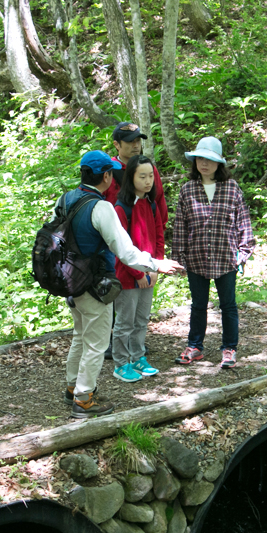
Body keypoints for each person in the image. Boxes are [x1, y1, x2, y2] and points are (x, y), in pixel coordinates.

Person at [63, 151, 183, 419]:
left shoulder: (67, 199)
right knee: (95, 343)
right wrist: (157, 264)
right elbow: (126, 252)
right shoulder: (101, 207)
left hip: (70, 280)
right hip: (95, 284)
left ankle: (72, 387)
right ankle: (83, 399)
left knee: (80, 337)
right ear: (106, 176)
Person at [170, 137, 255, 369]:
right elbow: (180, 226)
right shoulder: (187, 190)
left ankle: (229, 349)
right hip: (196, 257)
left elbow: (243, 223)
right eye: (200, 159)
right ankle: (195, 346)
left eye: (209, 160)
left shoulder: (232, 188)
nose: (204, 164)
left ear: (219, 164)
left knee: (228, 305)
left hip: (225, 257)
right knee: (198, 305)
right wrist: (178, 257)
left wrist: (243, 253)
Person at [104, 121, 168, 360]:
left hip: (144, 245)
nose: (135, 146)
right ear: (117, 145)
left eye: (138, 141)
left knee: (138, 308)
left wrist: (156, 260)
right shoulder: (108, 169)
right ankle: (116, 346)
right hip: (112, 244)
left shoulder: (147, 169)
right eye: (129, 142)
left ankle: (135, 349)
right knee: (115, 296)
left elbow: (158, 202)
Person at [111, 155, 166, 384]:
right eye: (142, 176)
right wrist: (139, 273)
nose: (148, 181)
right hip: (128, 276)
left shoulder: (151, 204)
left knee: (142, 319)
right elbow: (121, 248)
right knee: (124, 322)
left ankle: (138, 356)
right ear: (130, 177)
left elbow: (159, 235)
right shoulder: (121, 208)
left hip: (149, 273)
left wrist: (156, 267)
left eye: (151, 176)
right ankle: (121, 363)